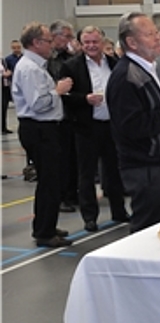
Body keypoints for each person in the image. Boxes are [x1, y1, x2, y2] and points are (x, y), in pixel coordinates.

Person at [107, 11, 160, 233]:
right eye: (150, 34)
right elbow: (131, 126)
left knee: (159, 224)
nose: (157, 39)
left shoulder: (147, 69)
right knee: (147, 228)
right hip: (144, 166)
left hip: (158, 164)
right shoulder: (126, 76)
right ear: (131, 42)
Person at [60, 26, 130, 233]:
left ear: (102, 42)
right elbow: (63, 97)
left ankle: (119, 211)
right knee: (86, 174)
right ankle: (90, 217)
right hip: (86, 128)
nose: (91, 46)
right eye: (87, 42)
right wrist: (85, 99)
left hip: (111, 127)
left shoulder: (115, 64)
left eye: (95, 42)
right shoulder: (71, 66)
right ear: (81, 44)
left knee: (114, 171)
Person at [12, 21, 74, 247]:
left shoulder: (36, 66)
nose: (52, 45)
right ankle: (44, 232)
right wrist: (57, 91)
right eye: (48, 41)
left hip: (45, 128)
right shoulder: (29, 68)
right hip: (38, 128)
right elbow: (38, 104)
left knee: (52, 179)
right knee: (49, 181)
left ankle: (46, 225)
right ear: (36, 43)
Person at [48, 20, 78, 213]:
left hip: (71, 114)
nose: (69, 41)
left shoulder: (70, 57)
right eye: (66, 37)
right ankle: (62, 196)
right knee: (60, 160)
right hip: (55, 116)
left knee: (73, 158)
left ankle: (72, 193)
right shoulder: (50, 60)